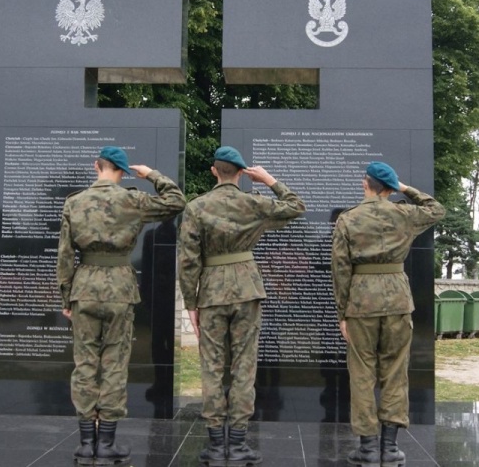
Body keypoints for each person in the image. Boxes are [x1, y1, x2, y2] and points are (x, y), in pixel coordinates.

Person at [56, 146, 186, 466]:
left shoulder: (74, 202)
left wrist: (66, 297)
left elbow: (64, 255)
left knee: (85, 365)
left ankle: (86, 444)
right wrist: (151, 174)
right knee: (114, 364)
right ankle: (107, 443)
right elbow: (176, 201)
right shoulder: (132, 200)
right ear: (123, 171)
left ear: (96, 166)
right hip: (119, 290)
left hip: (84, 289)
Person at [178, 146, 306, 466]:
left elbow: (188, 261)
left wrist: (191, 302)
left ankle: (214, 442)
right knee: (244, 366)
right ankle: (237, 443)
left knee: (212, 366)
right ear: (241, 173)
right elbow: (296, 206)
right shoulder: (253, 203)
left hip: (211, 292)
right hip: (247, 289)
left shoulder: (196, 207)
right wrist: (268, 180)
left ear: (214, 171)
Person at [331, 161, 445, 467]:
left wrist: (343, 312)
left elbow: (340, 269)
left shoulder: (348, 219)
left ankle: (368, 447)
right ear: (391, 188)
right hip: (397, 299)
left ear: (365, 184)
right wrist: (405, 188)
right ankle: (390, 448)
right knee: (395, 372)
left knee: (362, 373)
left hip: (361, 301)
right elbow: (436, 209)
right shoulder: (404, 214)